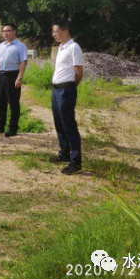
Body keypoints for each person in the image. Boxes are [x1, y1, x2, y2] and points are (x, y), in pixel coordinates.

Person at [49, 19, 84, 175]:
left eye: (56, 31)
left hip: (66, 89)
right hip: (56, 90)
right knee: (59, 124)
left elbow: (79, 71)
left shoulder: (74, 47)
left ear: (66, 31)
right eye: (53, 31)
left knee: (69, 125)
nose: (54, 34)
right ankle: (64, 154)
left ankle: (75, 161)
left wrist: (72, 86)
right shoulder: (61, 47)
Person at [0, 23, 27, 137]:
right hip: (1, 75)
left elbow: (23, 62)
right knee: (0, 102)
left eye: (8, 31)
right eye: (3, 31)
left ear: (14, 31)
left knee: (13, 103)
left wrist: (19, 78)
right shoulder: (1, 45)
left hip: (12, 76)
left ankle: (13, 128)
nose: (5, 33)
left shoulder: (20, 46)